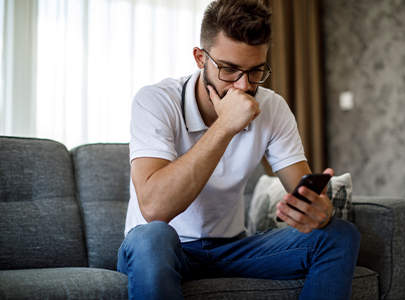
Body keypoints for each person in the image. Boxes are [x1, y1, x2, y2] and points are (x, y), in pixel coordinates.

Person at [117, 0, 360, 299]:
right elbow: (155, 208)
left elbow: (303, 191)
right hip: (164, 249)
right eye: (229, 70)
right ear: (199, 57)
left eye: (256, 71)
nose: (243, 86)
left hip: (232, 250)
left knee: (339, 234)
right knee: (151, 237)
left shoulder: (273, 107)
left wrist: (318, 212)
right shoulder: (154, 101)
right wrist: (225, 125)